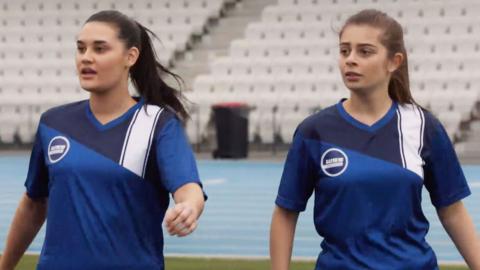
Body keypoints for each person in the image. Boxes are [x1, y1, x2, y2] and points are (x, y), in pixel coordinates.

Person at [270, 9, 480, 270]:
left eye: (365, 51)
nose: (350, 60)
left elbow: (453, 210)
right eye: (345, 51)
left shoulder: (424, 126)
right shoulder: (314, 131)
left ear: (394, 61)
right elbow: (285, 213)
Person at [0, 10, 206, 270]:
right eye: (81, 48)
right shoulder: (53, 123)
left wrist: (189, 207)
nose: (86, 57)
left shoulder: (158, 124)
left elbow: (188, 188)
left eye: (100, 49)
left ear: (130, 57)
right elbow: (33, 204)